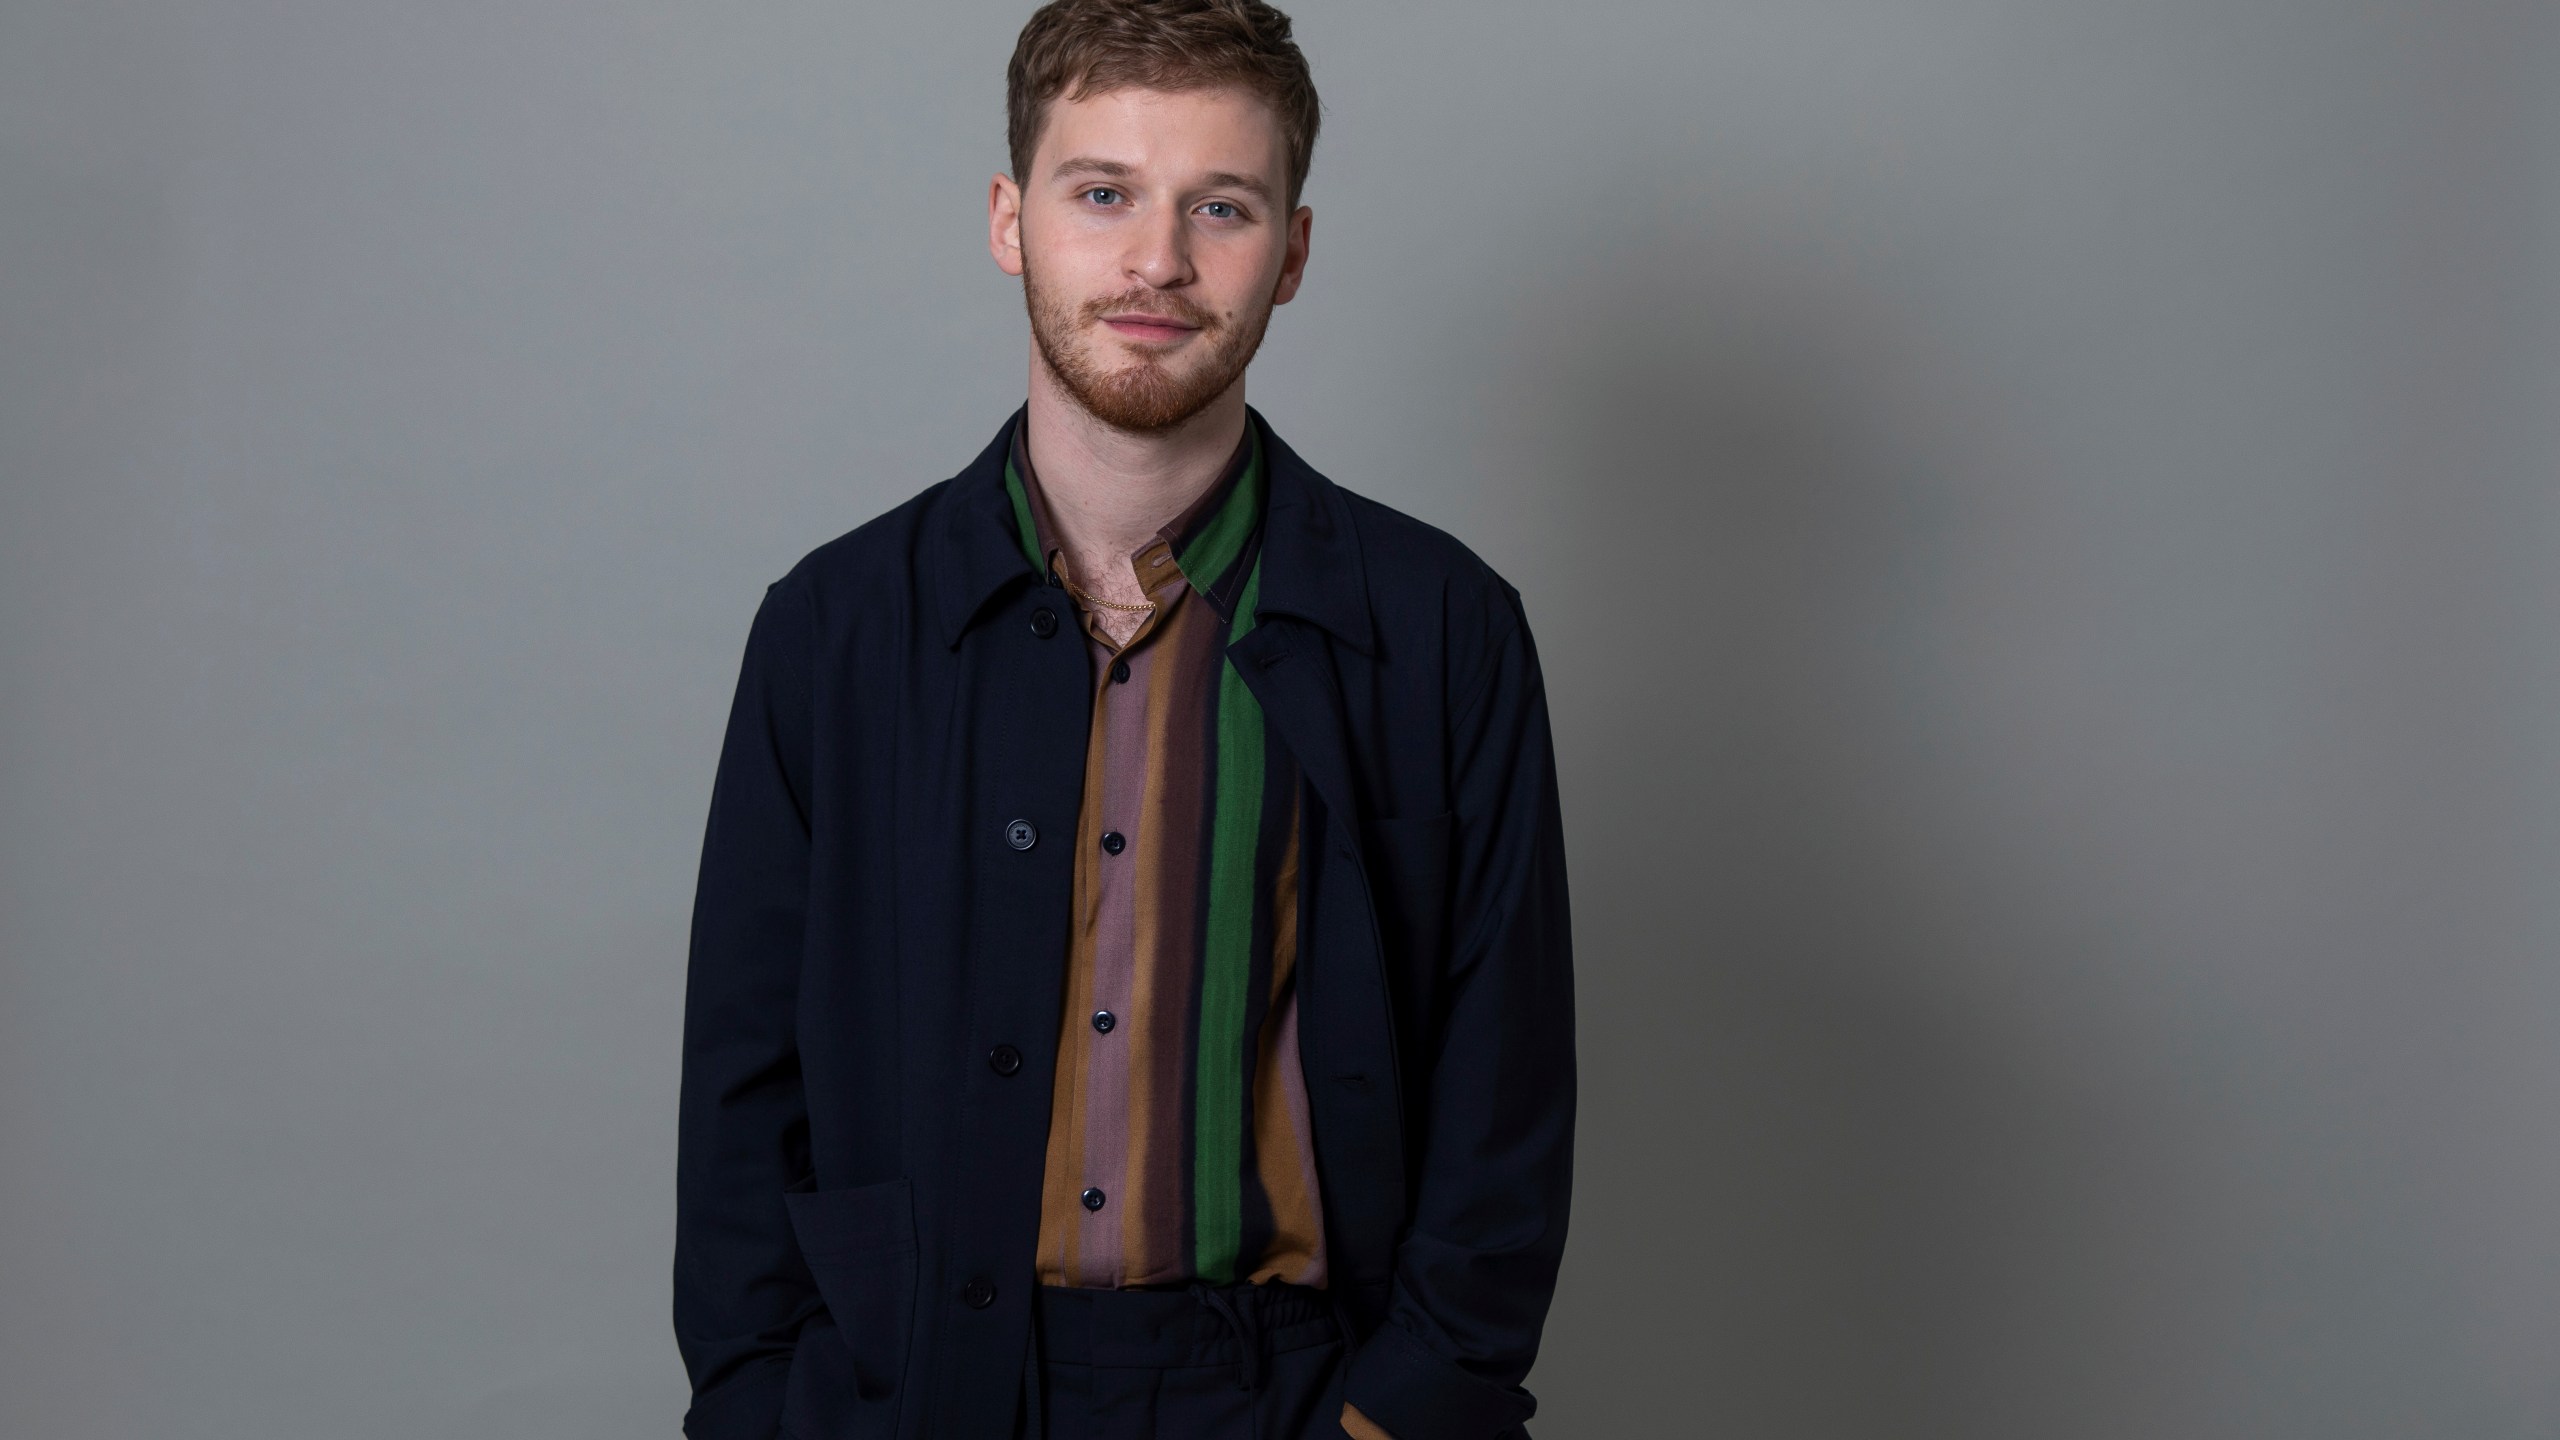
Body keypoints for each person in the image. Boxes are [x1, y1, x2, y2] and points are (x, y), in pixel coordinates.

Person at [671, 3, 1574, 1436]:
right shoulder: (834, 631)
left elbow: (1504, 1080)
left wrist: (1405, 1411)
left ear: (1292, 253)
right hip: (918, 1395)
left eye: (1221, 206)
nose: (1158, 260)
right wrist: (769, 1407)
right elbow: (742, 1092)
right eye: (1104, 195)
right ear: (1009, 220)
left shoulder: (1442, 629)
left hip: (1292, 1393)